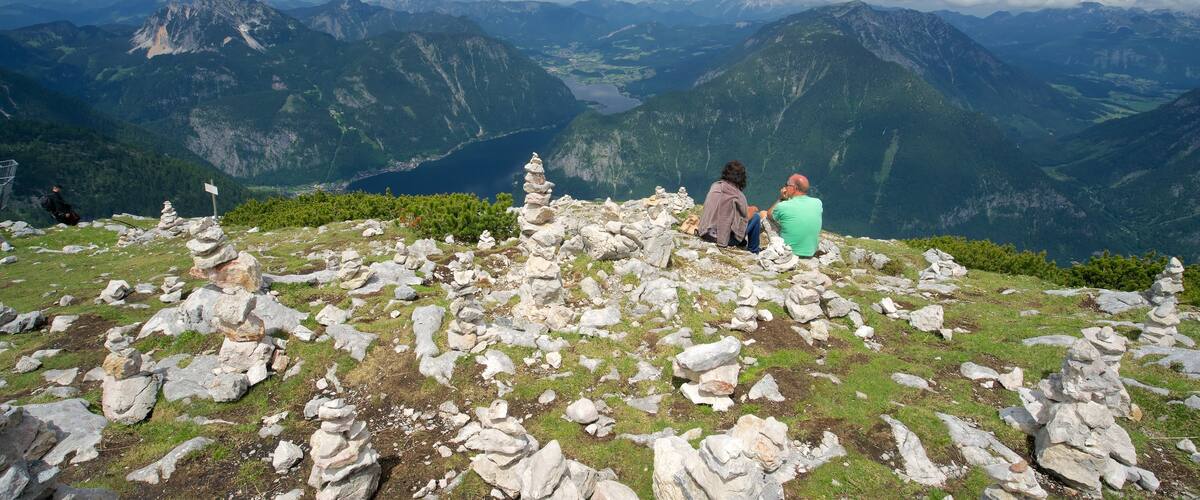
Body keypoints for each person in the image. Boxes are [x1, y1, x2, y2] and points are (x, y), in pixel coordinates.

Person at [697, 160, 762, 253]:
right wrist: (753, 210)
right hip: (720, 238)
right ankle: (754, 250)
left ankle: (742, 243)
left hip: (704, 232)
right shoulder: (738, 195)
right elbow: (744, 218)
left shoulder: (715, 186)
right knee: (756, 217)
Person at [767, 173, 822, 257]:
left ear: (794, 188)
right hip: (810, 253)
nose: (785, 187)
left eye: (787, 185)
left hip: (789, 252)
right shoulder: (817, 202)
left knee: (764, 217)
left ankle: (750, 247)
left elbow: (769, 215)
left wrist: (781, 198)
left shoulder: (783, 206)